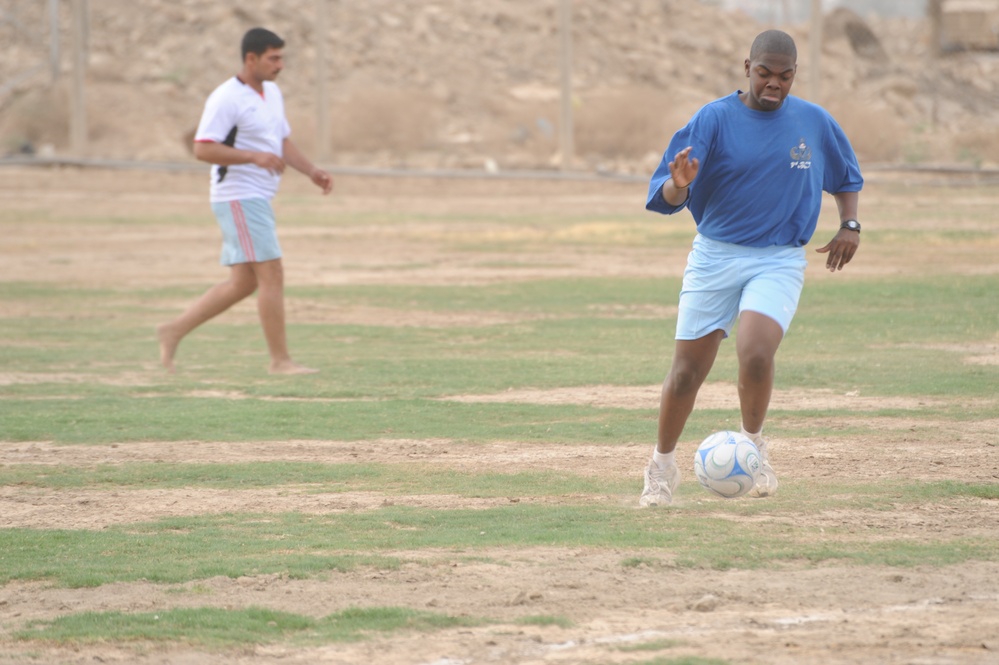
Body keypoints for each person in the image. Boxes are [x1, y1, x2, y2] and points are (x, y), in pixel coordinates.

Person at [639, 29, 863, 506]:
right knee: (685, 374)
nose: (774, 84)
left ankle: (754, 448)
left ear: (794, 75)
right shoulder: (713, 119)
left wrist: (851, 224)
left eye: (784, 76)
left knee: (756, 353)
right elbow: (668, 192)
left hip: (779, 257)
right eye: (764, 73)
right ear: (747, 68)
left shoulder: (815, 122)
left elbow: (846, 177)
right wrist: (680, 186)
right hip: (716, 254)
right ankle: (661, 468)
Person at [158, 27, 333, 375]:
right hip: (238, 196)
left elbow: (281, 142)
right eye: (274, 58)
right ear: (250, 58)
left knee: (244, 282)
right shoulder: (226, 98)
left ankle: (173, 330)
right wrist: (253, 157)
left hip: (257, 197)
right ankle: (280, 361)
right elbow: (202, 147)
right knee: (273, 274)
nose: (280, 64)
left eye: (282, 57)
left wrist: (311, 170)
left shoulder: (272, 93)